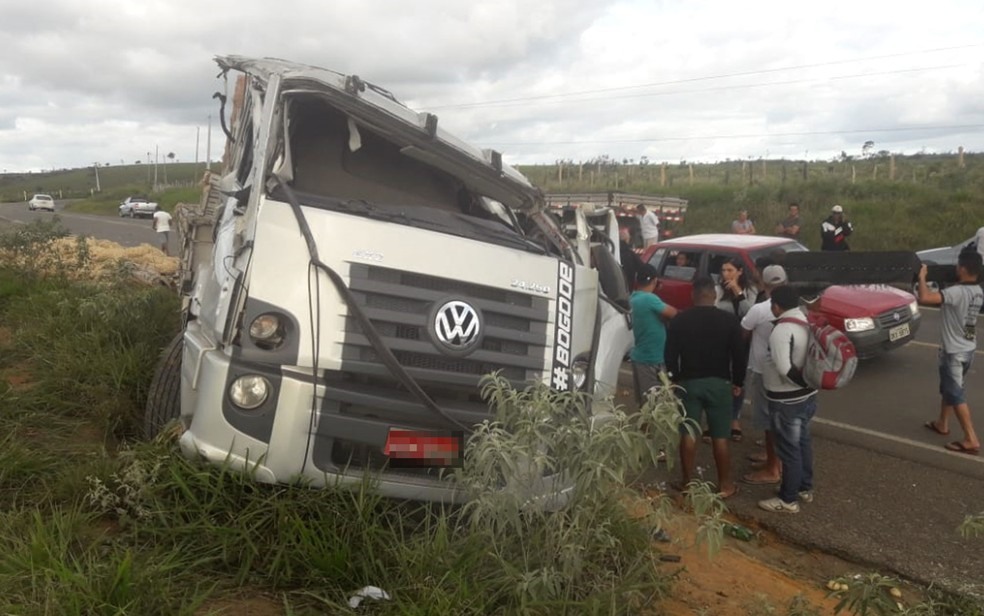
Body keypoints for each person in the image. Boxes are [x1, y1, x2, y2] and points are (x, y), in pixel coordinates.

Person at [665, 276, 746, 499]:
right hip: (720, 384)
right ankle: (724, 484)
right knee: (721, 437)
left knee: (688, 434)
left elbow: (670, 354)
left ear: (693, 295)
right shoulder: (729, 320)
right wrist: (738, 381)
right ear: (715, 295)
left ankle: (687, 482)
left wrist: (673, 378)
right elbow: (739, 355)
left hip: (689, 383)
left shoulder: (680, 320)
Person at [757, 285, 817, 514]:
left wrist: (801, 383)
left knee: (789, 449)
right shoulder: (805, 319)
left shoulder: (782, 330)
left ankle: (788, 500)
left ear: (776, 306)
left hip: (787, 401)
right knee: (803, 443)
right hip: (808, 398)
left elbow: (784, 368)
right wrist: (809, 384)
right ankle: (804, 488)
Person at [918, 251, 984, 455]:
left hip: (954, 352)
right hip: (968, 348)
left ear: (963, 268)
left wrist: (922, 277)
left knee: (955, 394)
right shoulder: (978, 291)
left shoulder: (956, 292)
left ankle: (970, 438)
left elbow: (925, 297)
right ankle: (942, 423)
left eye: (957, 265)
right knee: (949, 387)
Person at [740, 265, 788, 485]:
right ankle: (773, 458)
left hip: (763, 371)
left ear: (764, 285)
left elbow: (744, 334)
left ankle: (773, 468)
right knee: (780, 420)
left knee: (769, 422)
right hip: (788, 373)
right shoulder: (796, 308)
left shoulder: (760, 309)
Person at [713, 258, 757, 441]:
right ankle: (716, 419)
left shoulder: (750, 290)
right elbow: (714, 311)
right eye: (723, 270)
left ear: (739, 271)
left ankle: (734, 419)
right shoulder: (718, 290)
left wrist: (738, 292)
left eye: (730, 270)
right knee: (720, 378)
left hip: (742, 340)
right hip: (721, 340)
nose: (726, 274)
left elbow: (751, 313)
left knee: (739, 380)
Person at [629, 264, 678, 405]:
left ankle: (643, 427)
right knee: (652, 405)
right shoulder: (649, 299)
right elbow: (673, 313)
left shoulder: (634, 298)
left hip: (641, 356)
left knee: (645, 403)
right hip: (650, 358)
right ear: (655, 281)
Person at [618, 226, 644, 290]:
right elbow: (642, 268)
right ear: (627, 239)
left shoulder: (611, 252)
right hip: (628, 287)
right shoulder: (631, 254)